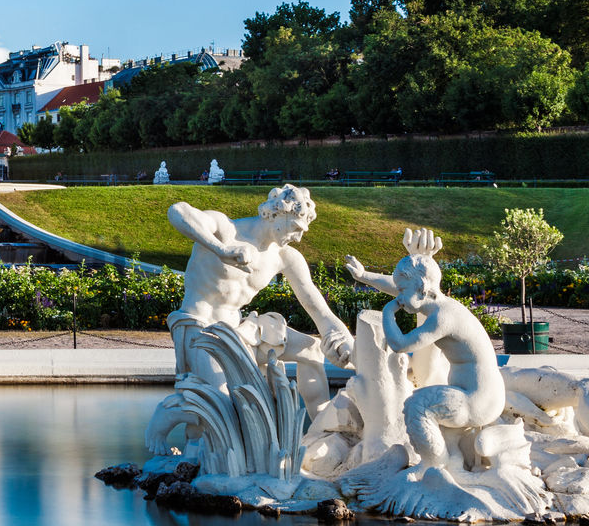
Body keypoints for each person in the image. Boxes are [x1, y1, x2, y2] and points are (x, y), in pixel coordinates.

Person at [167, 185, 353, 413]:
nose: (299, 237)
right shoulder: (226, 229)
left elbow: (320, 312)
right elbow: (178, 211)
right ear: (276, 213)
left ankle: (322, 432)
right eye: (296, 227)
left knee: (312, 350)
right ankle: (168, 417)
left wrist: (346, 345)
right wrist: (221, 250)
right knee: (225, 408)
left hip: (242, 328)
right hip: (201, 328)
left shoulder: (285, 257)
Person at [344, 230, 504, 469]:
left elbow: (400, 345)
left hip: (478, 400)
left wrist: (388, 313)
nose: (398, 297)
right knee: (429, 406)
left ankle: (434, 468)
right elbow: (400, 289)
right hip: (477, 395)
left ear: (420, 286)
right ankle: (453, 462)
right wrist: (364, 275)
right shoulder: (436, 303)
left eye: (402, 291)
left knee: (417, 405)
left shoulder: (443, 318)